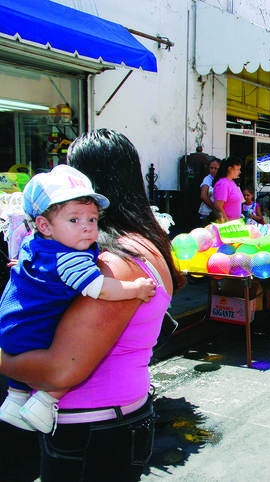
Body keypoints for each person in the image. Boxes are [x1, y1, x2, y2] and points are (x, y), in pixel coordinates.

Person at [0, 129, 184, 480]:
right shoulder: (145, 242)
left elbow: (61, 370)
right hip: (116, 419)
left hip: (90, 428)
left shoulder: (112, 261)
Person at [0, 165, 157, 434]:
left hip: (12, 324)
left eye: (92, 220)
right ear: (45, 226)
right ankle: (45, 401)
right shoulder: (68, 258)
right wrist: (135, 289)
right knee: (79, 353)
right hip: (32, 330)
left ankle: (14, 401)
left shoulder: (35, 243)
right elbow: (100, 288)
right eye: (74, 220)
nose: (86, 228)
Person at [212, 157, 244, 221]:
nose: (239, 172)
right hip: (227, 225)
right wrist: (227, 222)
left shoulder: (232, 183)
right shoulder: (223, 184)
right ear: (230, 169)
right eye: (238, 169)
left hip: (235, 223)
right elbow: (218, 206)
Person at [198, 157, 220, 224]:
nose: (213, 170)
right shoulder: (208, 179)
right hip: (208, 214)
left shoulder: (223, 179)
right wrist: (215, 209)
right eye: (211, 168)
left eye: (216, 168)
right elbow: (203, 196)